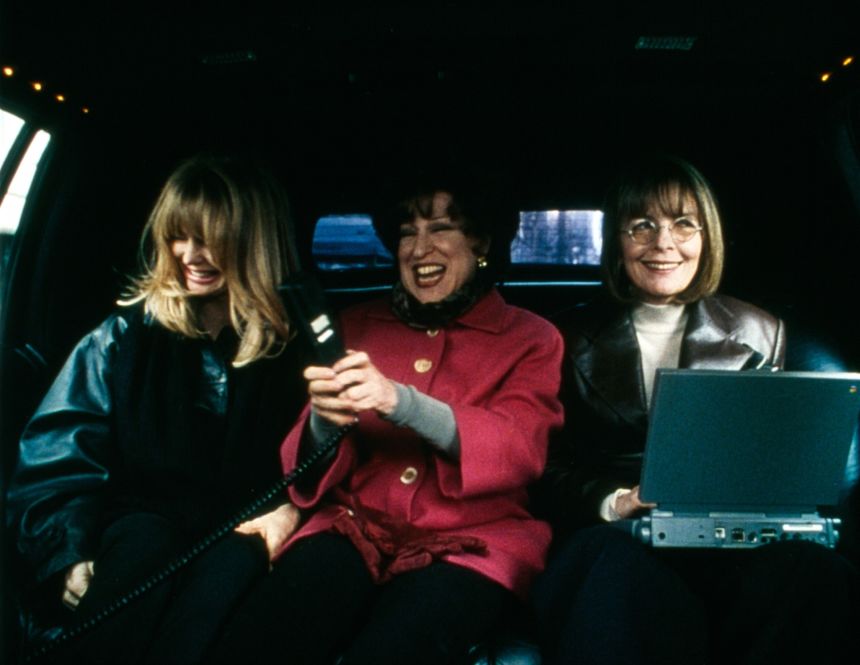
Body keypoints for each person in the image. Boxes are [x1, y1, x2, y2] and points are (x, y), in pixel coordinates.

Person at [207, 180, 565, 665]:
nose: (420, 249)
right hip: (352, 527)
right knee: (261, 640)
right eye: (406, 232)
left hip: (473, 543)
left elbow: (520, 450)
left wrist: (400, 400)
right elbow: (307, 468)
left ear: (480, 242)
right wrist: (322, 419)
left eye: (441, 228)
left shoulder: (531, 337)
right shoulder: (355, 323)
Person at [531, 154, 859, 664]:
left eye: (684, 224)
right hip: (615, 536)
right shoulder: (562, 337)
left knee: (814, 571)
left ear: (707, 237)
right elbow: (541, 464)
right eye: (642, 226)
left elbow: (766, 461)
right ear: (617, 241)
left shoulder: (759, 331)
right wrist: (613, 502)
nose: (663, 243)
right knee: (614, 569)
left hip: (726, 540)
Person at [5, 154, 308, 664]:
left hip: (243, 535)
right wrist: (68, 555)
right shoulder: (120, 339)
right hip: (138, 528)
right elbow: (55, 460)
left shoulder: (299, 351)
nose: (190, 253)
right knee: (140, 550)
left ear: (251, 242)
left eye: (209, 237)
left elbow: (330, 465)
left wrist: (291, 512)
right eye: (179, 235)